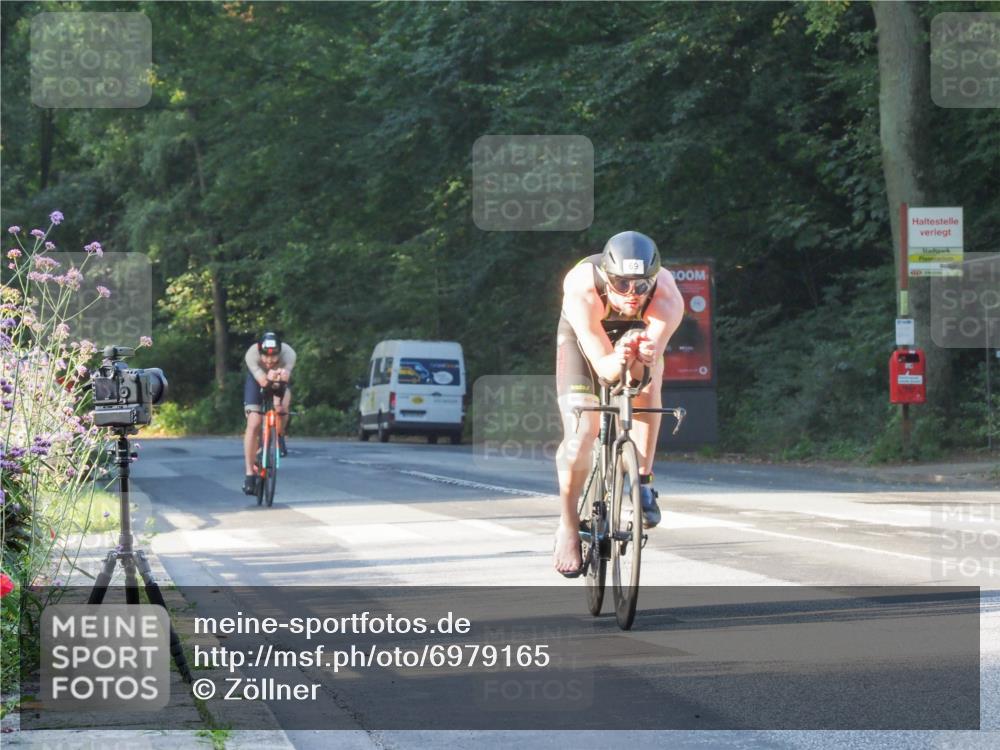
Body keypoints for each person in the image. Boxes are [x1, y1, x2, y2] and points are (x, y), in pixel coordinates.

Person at [553, 231, 684, 576]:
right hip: (586, 340)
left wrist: (639, 356)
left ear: (653, 281)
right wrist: (618, 358)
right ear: (607, 278)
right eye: (621, 284)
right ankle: (567, 524)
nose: (631, 294)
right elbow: (606, 368)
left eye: (641, 286)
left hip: (638, 336)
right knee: (582, 433)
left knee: (648, 383)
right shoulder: (582, 288)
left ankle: (642, 480)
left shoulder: (668, 297)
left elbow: (643, 370)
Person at [242, 332, 296, 494]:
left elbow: (283, 382)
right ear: (260, 352)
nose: (270, 361)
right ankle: (249, 474)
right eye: (265, 356)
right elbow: (264, 382)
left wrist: (278, 404)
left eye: (274, 357)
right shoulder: (251, 354)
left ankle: (279, 435)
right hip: (257, 380)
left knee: (283, 408)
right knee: (254, 422)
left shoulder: (289, 354)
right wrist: (270, 377)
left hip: (280, 380)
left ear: (280, 352)